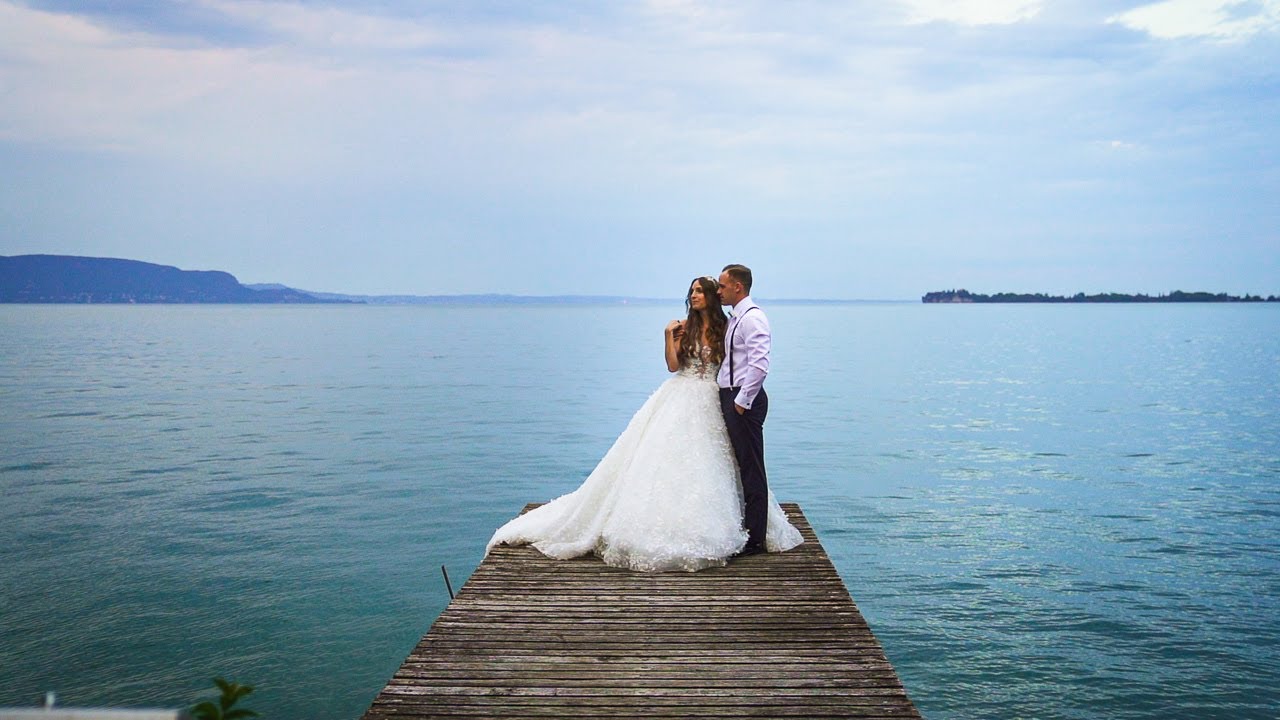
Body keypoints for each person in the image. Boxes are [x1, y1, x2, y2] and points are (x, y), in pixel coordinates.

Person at [486, 276, 802, 571]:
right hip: (682, 395)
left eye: (700, 291)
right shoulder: (683, 327)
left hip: (716, 397)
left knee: (720, 460)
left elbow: (744, 361)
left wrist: (742, 396)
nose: (694, 296)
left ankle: (745, 525)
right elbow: (673, 365)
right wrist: (668, 336)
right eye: (691, 291)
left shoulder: (729, 326)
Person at [717, 263, 771, 556]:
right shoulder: (734, 318)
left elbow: (760, 364)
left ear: (738, 286)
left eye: (723, 286)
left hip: (743, 400)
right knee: (742, 465)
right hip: (732, 395)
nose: (719, 291)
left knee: (752, 468)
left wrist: (741, 402)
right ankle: (748, 530)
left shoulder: (753, 318)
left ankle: (756, 540)